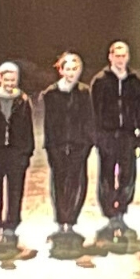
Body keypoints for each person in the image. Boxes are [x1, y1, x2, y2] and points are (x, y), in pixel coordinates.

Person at [91, 42, 140, 239]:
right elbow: (94, 110)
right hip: (107, 135)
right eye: (117, 55)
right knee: (106, 174)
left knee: (127, 174)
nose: (120, 59)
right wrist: (97, 136)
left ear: (127, 57)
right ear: (110, 57)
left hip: (128, 135)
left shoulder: (135, 81)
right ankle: (109, 212)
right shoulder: (100, 81)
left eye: (123, 55)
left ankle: (121, 208)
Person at [0, 62, 34, 247]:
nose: (10, 83)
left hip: (16, 152)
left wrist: (27, 152)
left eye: (13, 80)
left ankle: (11, 224)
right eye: (7, 79)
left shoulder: (23, 100)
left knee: (15, 189)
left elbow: (28, 128)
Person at [41, 52, 96, 234]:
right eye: (68, 69)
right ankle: (61, 218)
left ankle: (71, 219)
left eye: (75, 69)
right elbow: (49, 122)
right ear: (61, 70)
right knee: (58, 181)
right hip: (57, 144)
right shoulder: (51, 93)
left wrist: (87, 143)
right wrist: (50, 145)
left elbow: (88, 119)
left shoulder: (84, 92)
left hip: (79, 144)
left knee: (77, 181)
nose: (71, 73)